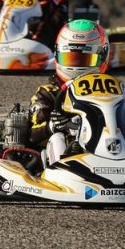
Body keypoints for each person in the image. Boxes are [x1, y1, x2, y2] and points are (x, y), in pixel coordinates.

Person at [28, 19, 110, 164]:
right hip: (66, 154)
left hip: (104, 148)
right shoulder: (48, 93)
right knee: (57, 138)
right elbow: (32, 136)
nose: (76, 66)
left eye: (84, 59)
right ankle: (61, 170)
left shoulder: (108, 91)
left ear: (103, 56)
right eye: (70, 59)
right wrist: (53, 126)